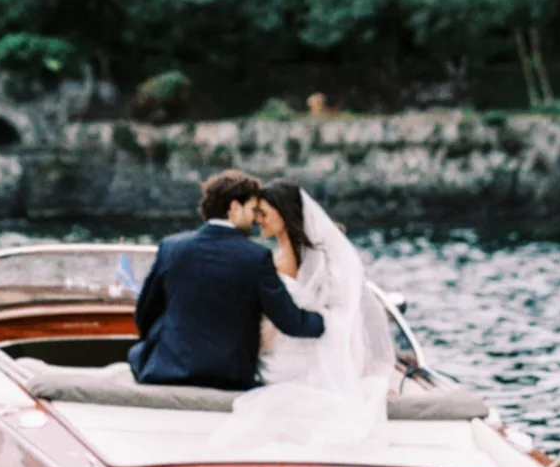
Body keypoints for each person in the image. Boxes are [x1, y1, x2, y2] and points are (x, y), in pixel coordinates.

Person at [131, 168, 326, 391]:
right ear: (234, 207)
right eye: (252, 209)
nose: (255, 219)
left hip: (167, 369)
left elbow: (144, 313)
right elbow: (290, 322)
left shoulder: (171, 248)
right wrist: (329, 321)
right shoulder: (255, 258)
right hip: (228, 376)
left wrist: (169, 346)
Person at [242, 182, 400, 429]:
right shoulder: (273, 261)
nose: (257, 219)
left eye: (263, 213)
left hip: (311, 351)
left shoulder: (323, 261)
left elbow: (344, 308)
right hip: (290, 350)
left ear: (282, 213)